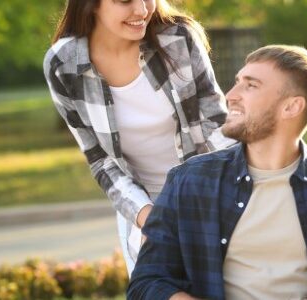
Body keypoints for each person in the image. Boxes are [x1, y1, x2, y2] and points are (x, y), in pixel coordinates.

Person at [128, 45, 307, 300]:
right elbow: (146, 282)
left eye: (250, 86)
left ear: (291, 106)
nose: (231, 96)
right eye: (237, 82)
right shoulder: (189, 182)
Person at [42, 0, 234, 274]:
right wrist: (151, 219)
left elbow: (216, 125)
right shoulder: (64, 64)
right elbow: (100, 160)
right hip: (143, 209)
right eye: (125, 1)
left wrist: (220, 200)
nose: (143, 10)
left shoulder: (177, 38)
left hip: (209, 195)